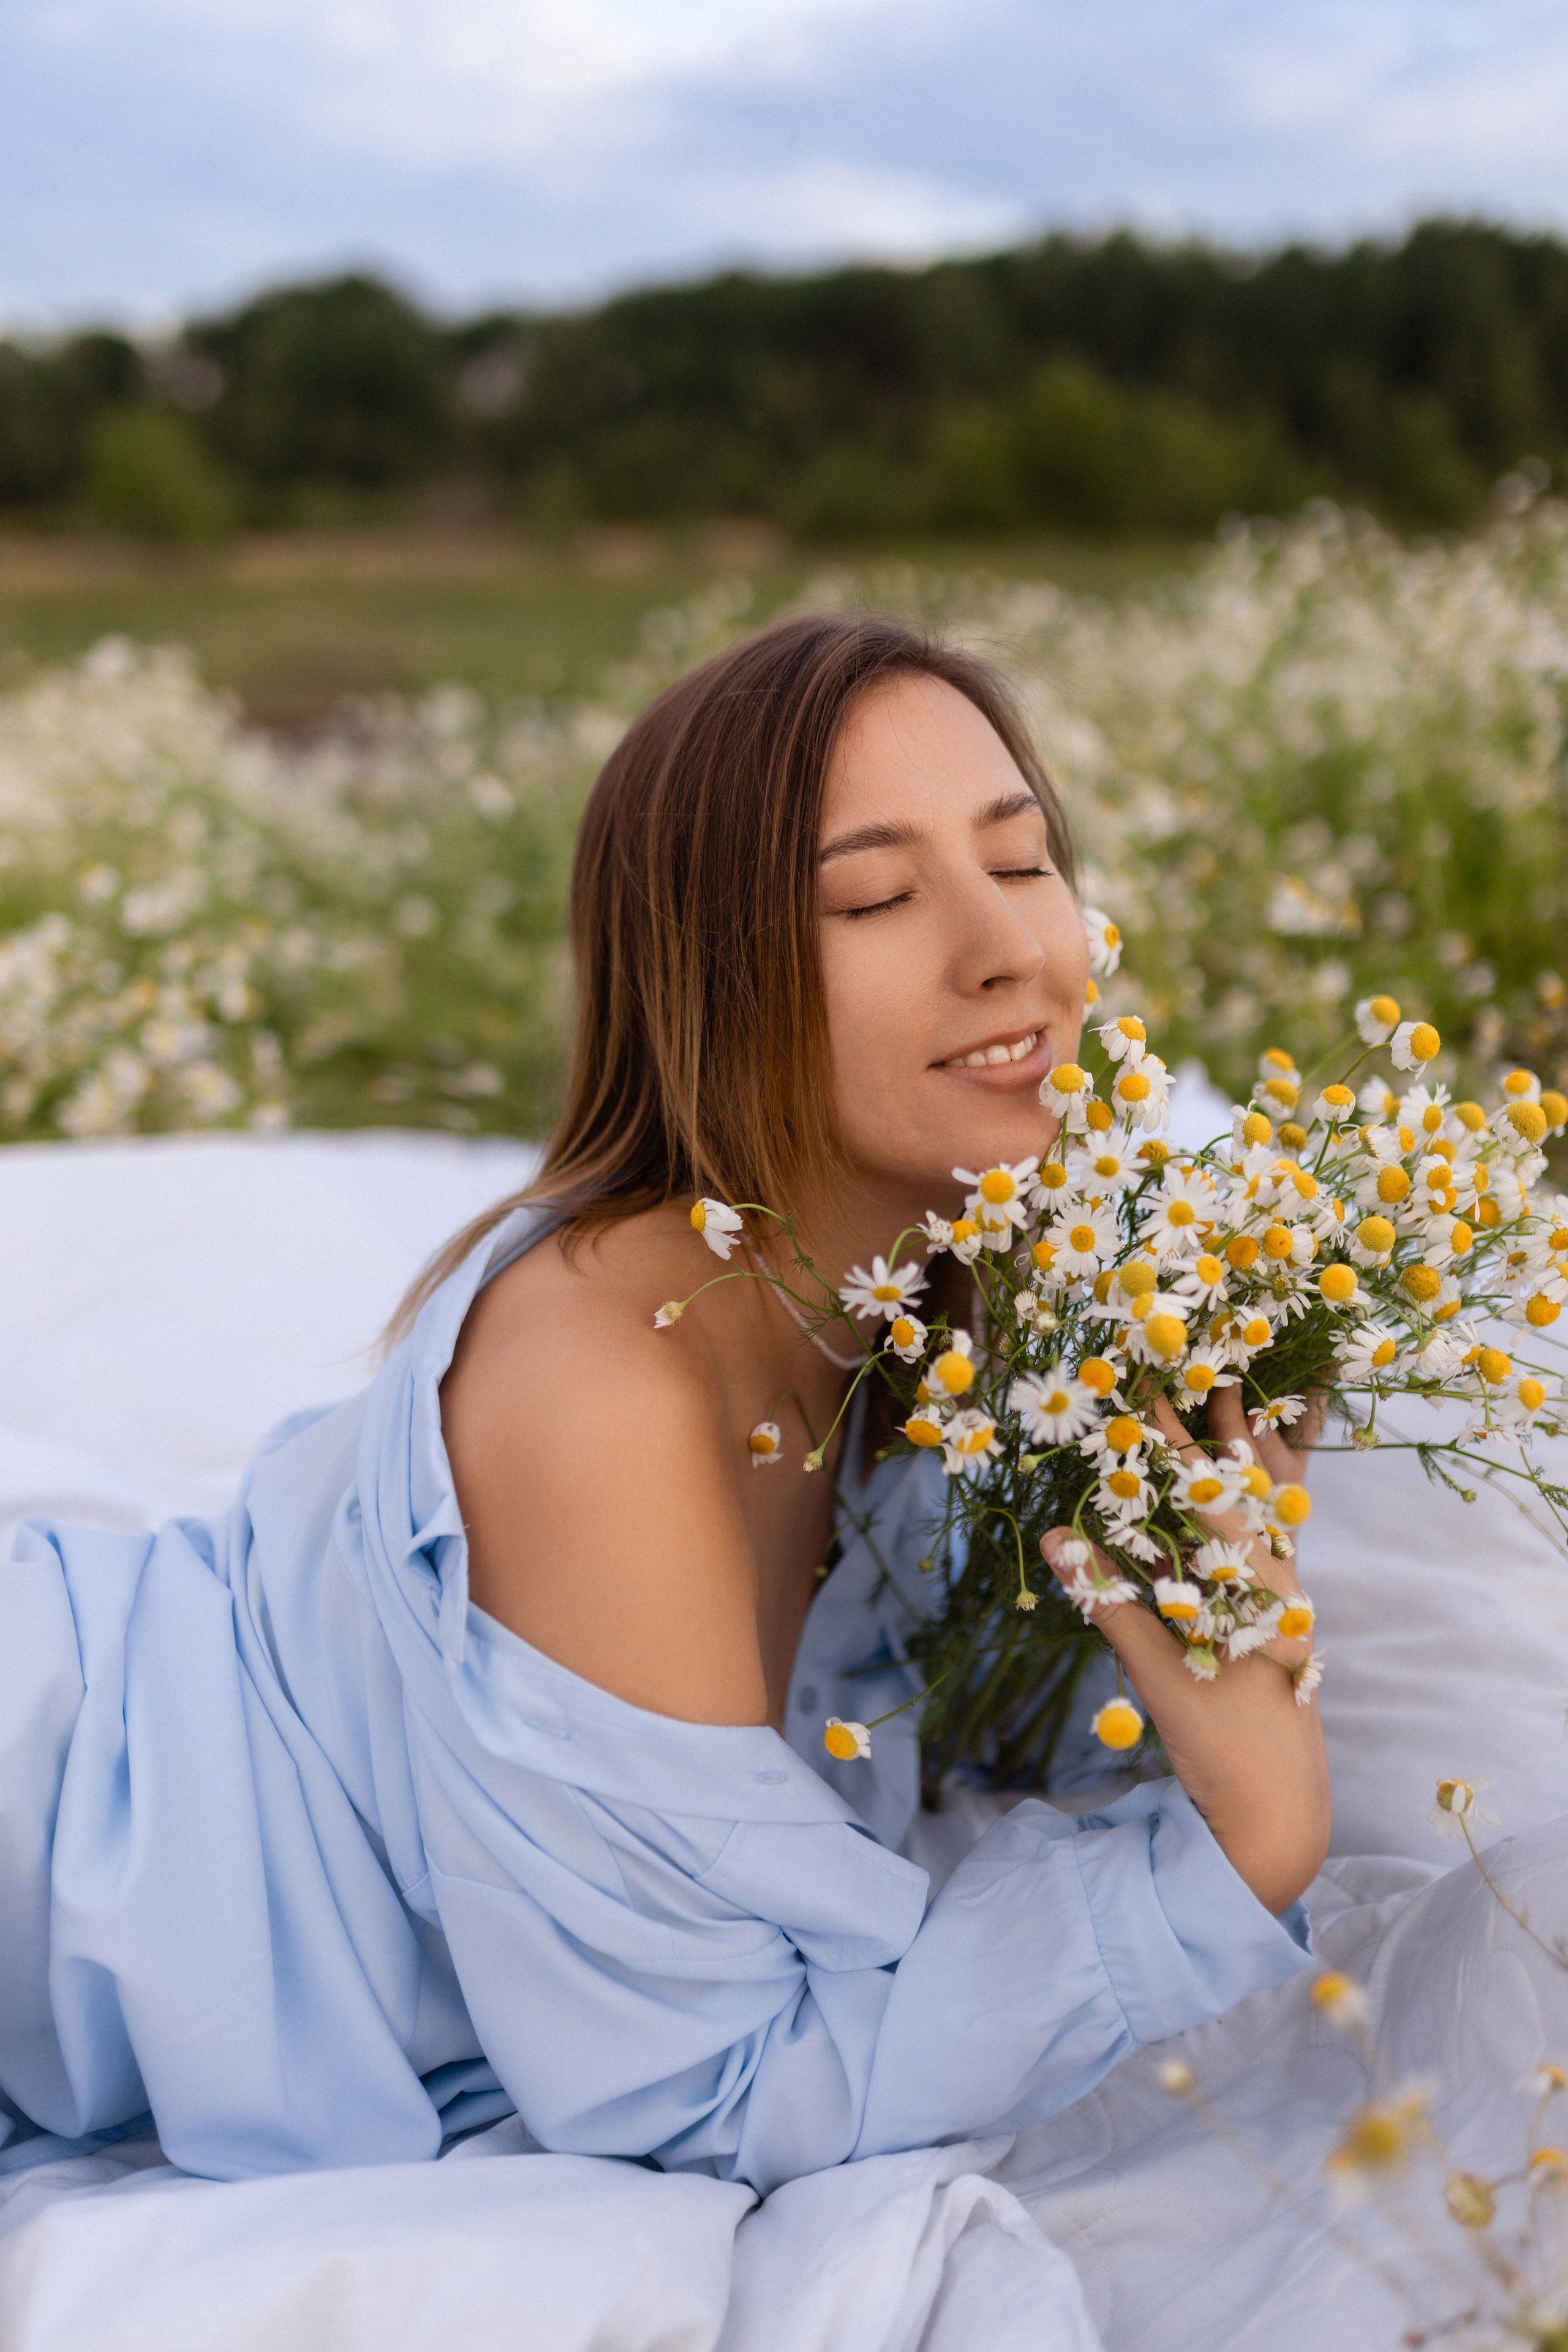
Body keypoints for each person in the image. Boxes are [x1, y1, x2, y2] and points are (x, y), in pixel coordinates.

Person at [0, 613, 1327, 2193]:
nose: (1007, 950)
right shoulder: (602, 1385)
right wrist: (1246, 1838)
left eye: (1024, 860)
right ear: (713, 983)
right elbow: (703, 2091)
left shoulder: (944, 1310)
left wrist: (1204, 1516)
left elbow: (984, 1712)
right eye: (876, 896)